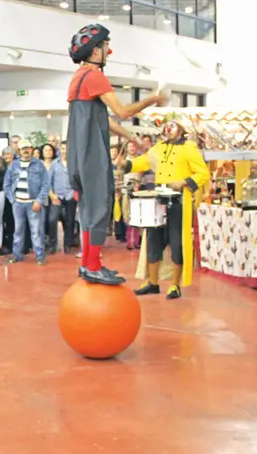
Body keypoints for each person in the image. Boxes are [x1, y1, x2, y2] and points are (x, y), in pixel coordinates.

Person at [66, 23, 165, 285]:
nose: (109, 50)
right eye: (106, 45)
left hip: (77, 154)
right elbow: (121, 111)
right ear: (95, 50)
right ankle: (93, 265)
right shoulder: (95, 76)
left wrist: (131, 137)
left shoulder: (77, 79)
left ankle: (88, 264)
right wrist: (151, 100)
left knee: (88, 209)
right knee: (100, 206)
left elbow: (102, 119)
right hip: (93, 152)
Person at [129, 118, 210, 300]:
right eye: (167, 128)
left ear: (180, 130)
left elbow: (203, 173)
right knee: (152, 239)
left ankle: (175, 284)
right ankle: (153, 282)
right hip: (158, 199)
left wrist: (184, 182)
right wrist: (127, 165)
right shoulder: (159, 147)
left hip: (179, 200)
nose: (168, 131)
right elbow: (144, 161)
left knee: (177, 242)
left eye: (172, 128)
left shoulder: (189, 147)